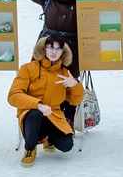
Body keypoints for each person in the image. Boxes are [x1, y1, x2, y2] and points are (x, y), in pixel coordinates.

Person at [0, 0, 81, 128]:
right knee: (42, 79)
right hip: (48, 46)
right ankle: (41, 115)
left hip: (72, 48)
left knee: (70, 81)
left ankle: (68, 119)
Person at [8, 35, 84, 168]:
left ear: (62, 52)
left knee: (67, 145)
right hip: (31, 113)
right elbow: (13, 95)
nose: (54, 52)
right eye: (50, 48)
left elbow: (75, 100)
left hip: (53, 115)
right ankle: (30, 148)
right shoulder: (28, 68)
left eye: (58, 49)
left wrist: (75, 85)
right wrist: (38, 105)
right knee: (35, 114)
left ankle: (47, 139)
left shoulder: (65, 73)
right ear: (43, 49)